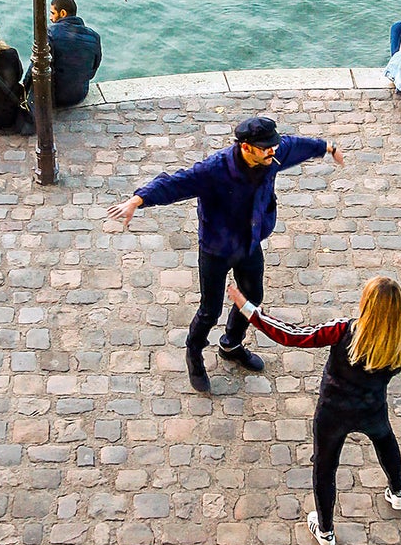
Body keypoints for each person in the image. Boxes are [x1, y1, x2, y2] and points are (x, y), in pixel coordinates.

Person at [229, 273, 401, 545]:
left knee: (325, 468)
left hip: (332, 413)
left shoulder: (342, 331)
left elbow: (292, 336)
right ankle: (397, 491)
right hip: (371, 410)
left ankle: (326, 530)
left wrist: (248, 308)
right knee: (386, 442)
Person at [112, 115, 345, 396]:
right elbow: (176, 183)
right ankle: (194, 352)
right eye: (266, 147)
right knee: (210, 310)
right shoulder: (214, 170)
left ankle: (231, 344)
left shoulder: (272, 154)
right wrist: (138, 200)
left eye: (274, 145)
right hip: (216, 249)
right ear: (246, 147)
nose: (274, 151)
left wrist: (327, 147)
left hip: (248, 244)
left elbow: (297, 146)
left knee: (253, 298)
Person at [25, 0, 102, 108]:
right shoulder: (94, 36)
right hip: (80, 94)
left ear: (63, 13)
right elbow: (93, 70)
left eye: (52, 13)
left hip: (55, 98)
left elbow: (35, 66)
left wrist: (24, 88)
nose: (51, 18)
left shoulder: (49, 33)